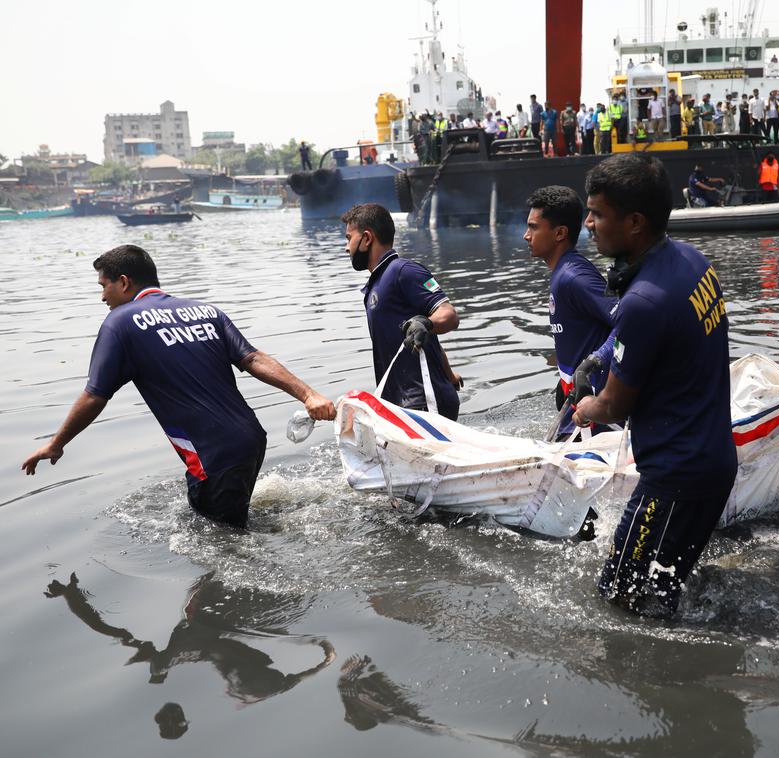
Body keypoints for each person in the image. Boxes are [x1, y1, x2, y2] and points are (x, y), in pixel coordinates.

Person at [21, 245, 336, 529]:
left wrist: (56, 443)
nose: (103, 297)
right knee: (230, 524)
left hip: (213, 455)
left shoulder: (120, 324)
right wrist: (308, 394)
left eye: (104, 287)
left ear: (124, 282)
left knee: (221, 544)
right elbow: (253, 358)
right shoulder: (207, 311)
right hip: (251, 439)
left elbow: (94, 396)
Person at [573, 152, 736, 617]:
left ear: (635, 222)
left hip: (674, 480)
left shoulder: (643, 299)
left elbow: (615, 407)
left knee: (620, 601)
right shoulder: (691, 261)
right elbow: (640, 332)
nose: (589, 224)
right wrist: (600, 356)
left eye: (598, 214)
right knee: (664, 595)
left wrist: (585, 405)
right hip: (713, 462)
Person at [341, 203, 462, 420]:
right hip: (399, 403)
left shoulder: (404, 271)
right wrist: (450, 374)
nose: (346, 247)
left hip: (423, 401)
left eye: (349, 238)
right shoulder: (375, 284)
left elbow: (448, 314)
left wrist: (425, 323)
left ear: (367, 238)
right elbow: (423, 336)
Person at [524, 186, 618, 442]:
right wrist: (566, 379)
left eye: (533, 227)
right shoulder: (562, 273)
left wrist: (593, 364)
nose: (526, 235)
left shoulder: (574, 277)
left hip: (596, 416)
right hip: (575, 402)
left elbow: (629, 323)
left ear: (560, 233)